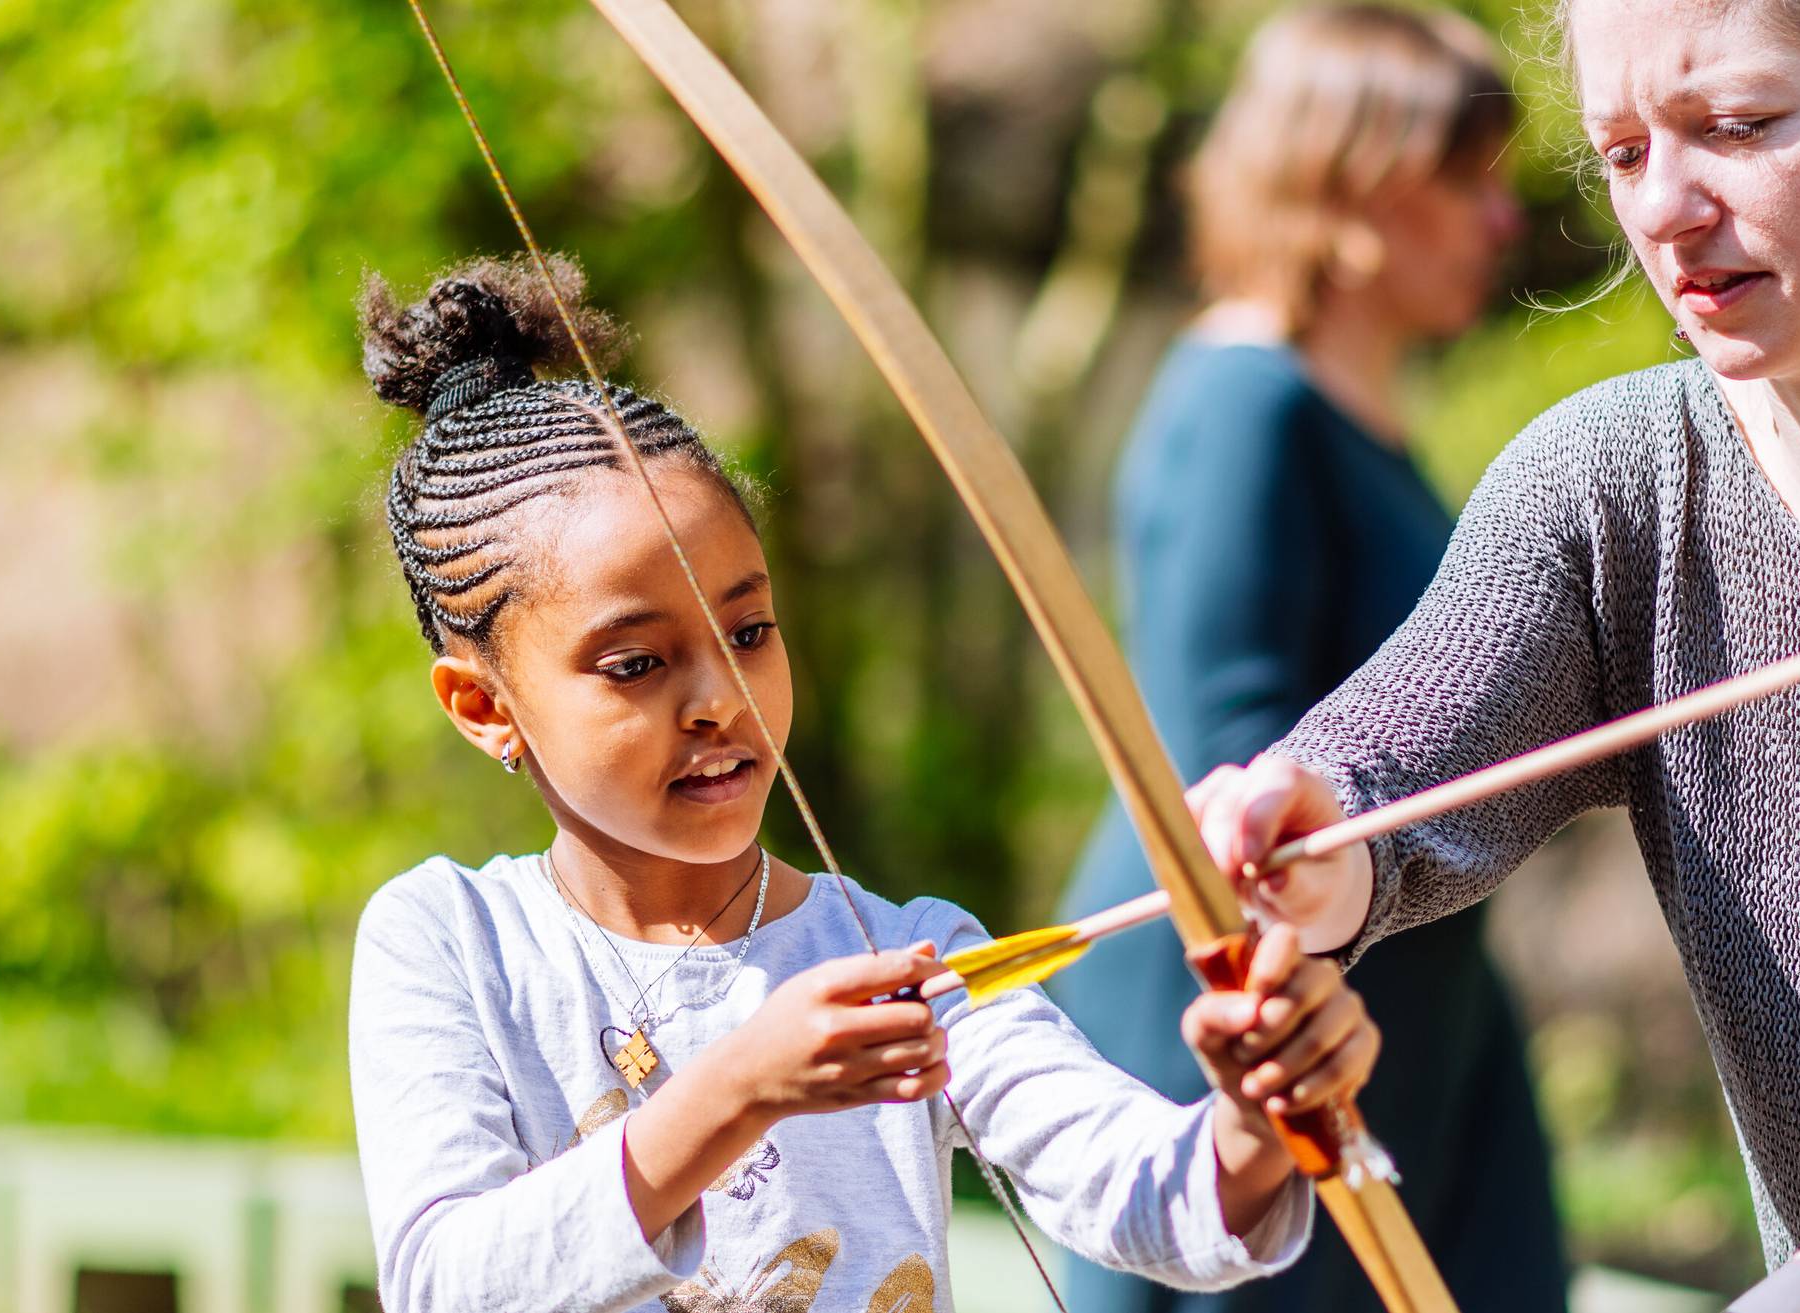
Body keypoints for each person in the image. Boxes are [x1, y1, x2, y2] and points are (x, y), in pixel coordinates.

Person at [1188, 1, 1800, 1310]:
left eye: (1738, 128)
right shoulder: (1617, 484)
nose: (1666, 208)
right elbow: (1408, 752)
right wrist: (1314, 837)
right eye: (1624, 152)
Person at [343, 254, 1396, 1312]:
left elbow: (1138, 1187)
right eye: (637, 663)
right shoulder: (450, 937)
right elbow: (446, 1284)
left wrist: (1257, 1120)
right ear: (484, 707)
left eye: (749, 631)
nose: (721, 696)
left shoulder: (912, 954)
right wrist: (739, 1086)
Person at [1054, 8, 1566, 1311]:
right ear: (1353, 181)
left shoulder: (1353, 416)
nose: (1500, 222)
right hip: (1268, 1022)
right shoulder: (1246, 403)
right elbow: (1232, 758)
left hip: (1405, 1009)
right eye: (1467, 181)